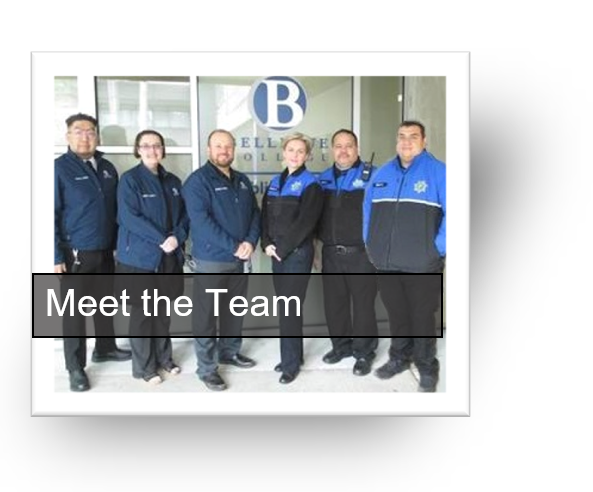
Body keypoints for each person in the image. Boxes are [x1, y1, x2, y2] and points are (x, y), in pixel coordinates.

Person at [363, 120, 445, 392]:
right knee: (397, 313)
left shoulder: (439, 172)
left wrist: (438, 248)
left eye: (413, 136)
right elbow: (368, 212)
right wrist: (370, 243)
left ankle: (426, 366)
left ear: (424, 141)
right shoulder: (382, 173)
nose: (406, 142)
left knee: (422, 317)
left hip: (422, 263)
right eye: (401, 136)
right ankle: (399, 357)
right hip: (387, 262)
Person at [54, 113, 131, 392]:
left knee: (104, 304)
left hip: (106, 250)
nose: (85, 136)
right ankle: (75, 367)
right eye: (79, 131)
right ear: (68, 136)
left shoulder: (108, 167)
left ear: (96, 136)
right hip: (75, 253)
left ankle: (106, 348)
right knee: (73, 313)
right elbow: (49, 214)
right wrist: (55, 257)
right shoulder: (58, 169)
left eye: (90, 131)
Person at [182, 129, 260, 391]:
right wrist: (235, 246)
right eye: (218, 146)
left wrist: (250, 242)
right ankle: (206, 368)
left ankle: (229, 352)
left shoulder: (241, 180)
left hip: (239, 260)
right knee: (206, 316)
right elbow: (201, 223)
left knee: (233, 310)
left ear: (234, 149)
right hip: (211, 261)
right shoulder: (197, 182)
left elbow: (255, 214)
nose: (224, 151)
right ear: (208, 150)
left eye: (228, 146)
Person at [115, 130, 188, 385]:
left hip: (168, 257)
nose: (151, 150)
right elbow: (128, 217)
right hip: (139, 260)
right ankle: (144, 367)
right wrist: (161, 239)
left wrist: (177, 236)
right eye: (145, 145)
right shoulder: (130, 180)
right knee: (143, 314)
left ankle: (164, 359)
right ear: (138, 150)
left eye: (156, 145)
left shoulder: (174, 182)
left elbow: (184, 217)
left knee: (163, 311)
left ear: (163, 149)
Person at [261, 132, 324, 384]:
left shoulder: (311, 184)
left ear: (307, 155)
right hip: (276, 254)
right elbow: (264, 216)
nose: (295, 155)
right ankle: (293, 356)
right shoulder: (276, 182)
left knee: (289, 308)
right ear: (283, 152)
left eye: (300, 151)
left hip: (296, 255)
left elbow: (306, 223)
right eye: (291, 150)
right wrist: (266, 244)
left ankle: (290, 365)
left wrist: (282, 248)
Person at [317, 129, 379, 376]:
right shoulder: (322, 179)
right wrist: (314, 249)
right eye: (339, 146)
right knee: (335, 305)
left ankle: (364, 352)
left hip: (362, 254)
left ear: (357, 148)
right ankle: (340, 347)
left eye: (349, 146)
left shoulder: (373, 176)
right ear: (332, 150)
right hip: (331, 253)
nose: (343, 151)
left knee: (363, 306)